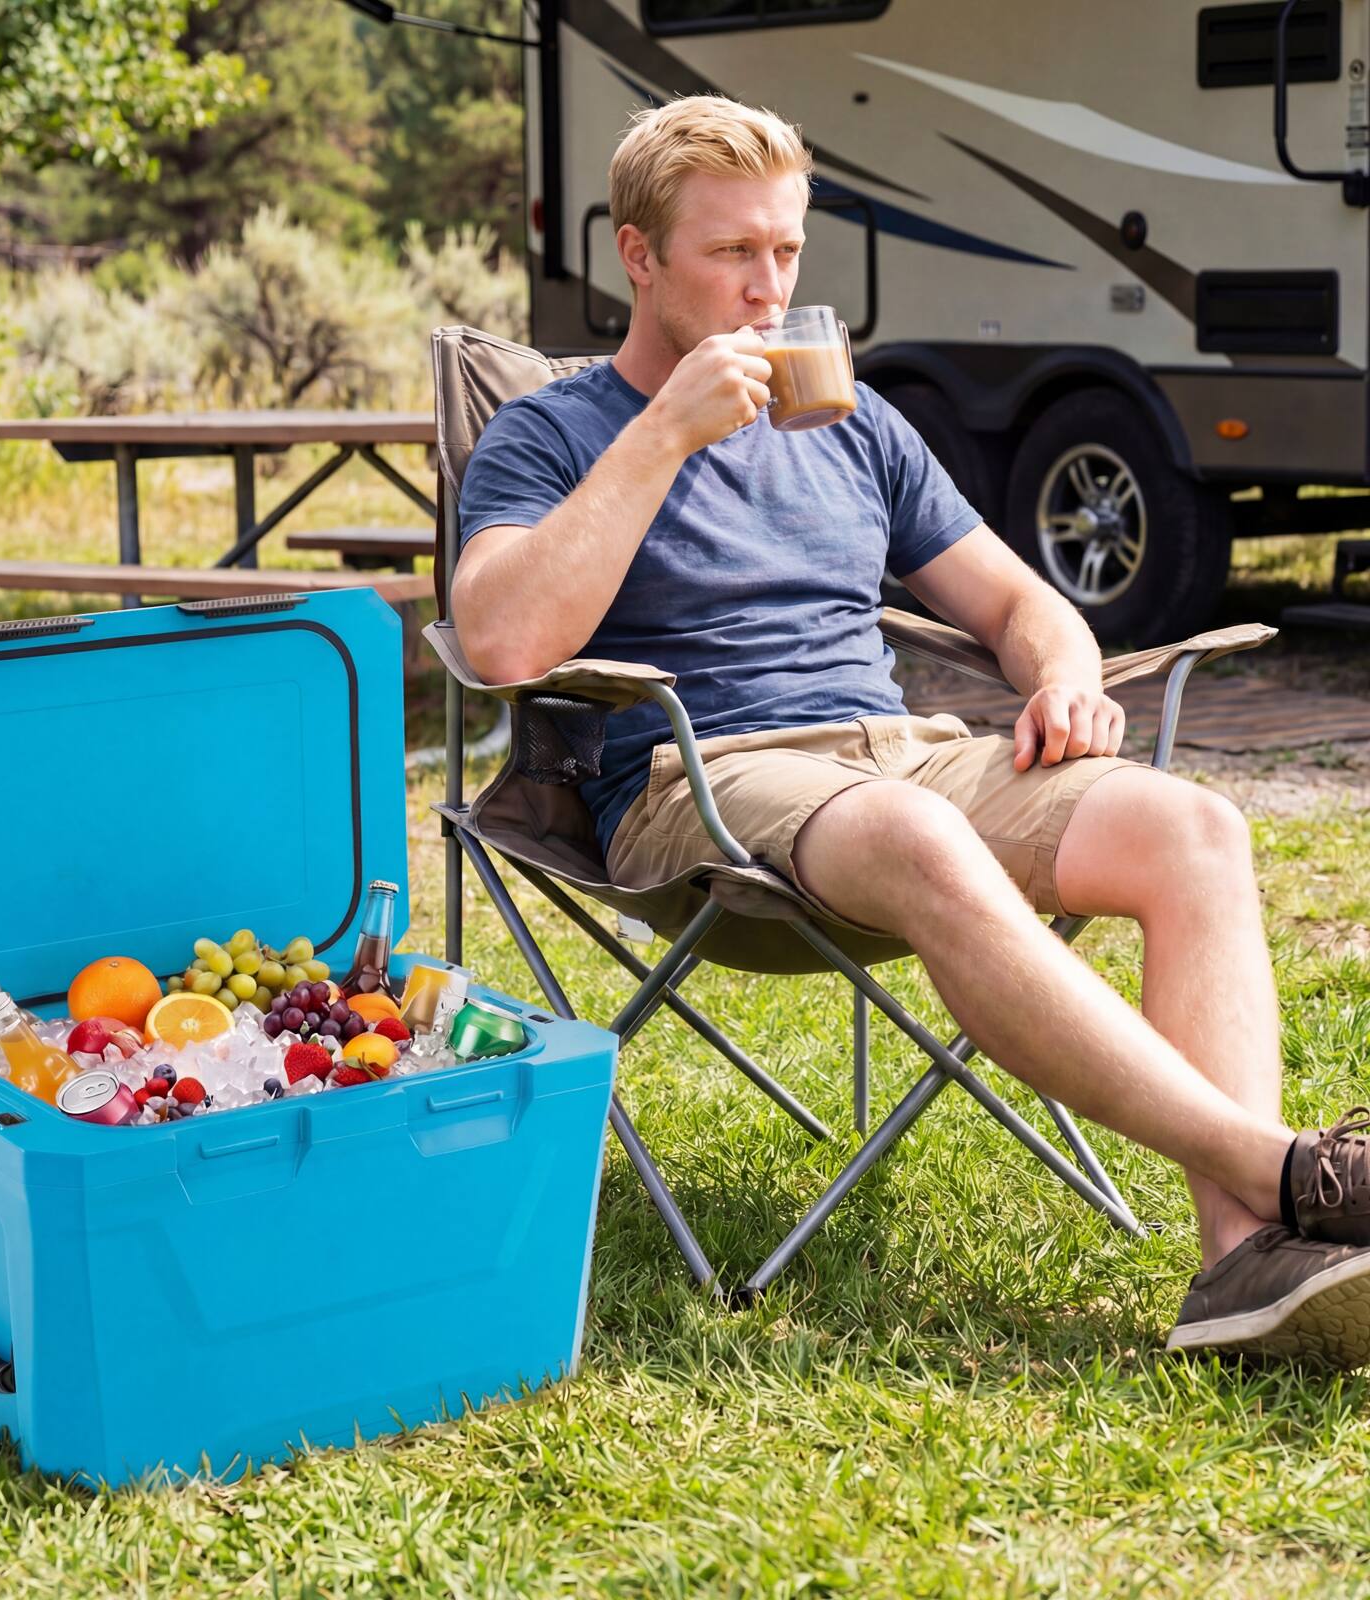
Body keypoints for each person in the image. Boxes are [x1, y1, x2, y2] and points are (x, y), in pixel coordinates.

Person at [450, 93, 1370, 1366]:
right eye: (729, 254)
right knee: (921, 833)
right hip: (700, 784)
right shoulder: (548, 434)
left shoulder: (859, 427)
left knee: (1192, 826)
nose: (766, 290)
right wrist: (663, 435)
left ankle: (1239, 1266)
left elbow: (1012, 597)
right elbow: (499, 641)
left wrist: (1060, 672)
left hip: (899, 753)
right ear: (638, 255)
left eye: (785, 251)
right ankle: (1285, 1171)